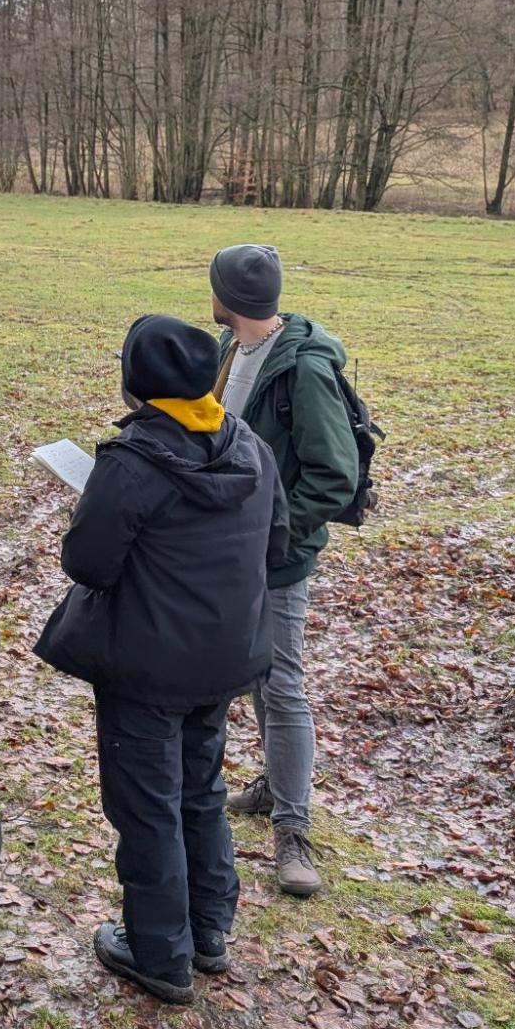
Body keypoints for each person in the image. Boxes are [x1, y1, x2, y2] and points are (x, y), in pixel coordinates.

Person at [37, 314, 288, 1005]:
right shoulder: (248, 447)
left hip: (146, 666)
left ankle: (160, 953)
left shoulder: (132, 463)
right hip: (223, 657)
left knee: (147, 806)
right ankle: (207, 933)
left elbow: (86, 563)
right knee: (199, 791)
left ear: (134, 384)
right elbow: (277, 542)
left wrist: (96, 500)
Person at [209, 244, 360, 899]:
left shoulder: (301, 369)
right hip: (231, 549)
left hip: (276, 554)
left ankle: (292, 832)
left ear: (230, 298)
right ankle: (274, 785)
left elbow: (334, 476)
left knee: (284, 682)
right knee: (254, 670)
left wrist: (271, 534)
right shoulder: (228, 349)